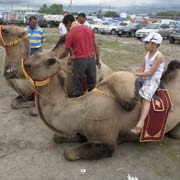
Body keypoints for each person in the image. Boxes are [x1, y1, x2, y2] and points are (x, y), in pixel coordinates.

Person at [130, 32, 165, 135]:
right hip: (145, 76)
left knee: (146, 98)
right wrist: (136, 76)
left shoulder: (159, 56)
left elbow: (151, 72)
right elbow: (143, 67)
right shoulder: (148, 54)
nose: (144, 44)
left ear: (155, 44)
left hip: (152, 79)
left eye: (147, 42)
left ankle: (140, 123)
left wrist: (134, 73)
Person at [58, 14, 101, 97]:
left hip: (80, 62)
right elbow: (96, 46)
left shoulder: (70, 34)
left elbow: (65, 52)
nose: (66, 28)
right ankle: (93, 101)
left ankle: (79, 104)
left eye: (66, 26)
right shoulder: (89, 30)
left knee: (78, 87)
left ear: (69, 23)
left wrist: (57, 58)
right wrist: (98, 60)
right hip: (91, 60)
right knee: (92, 85)